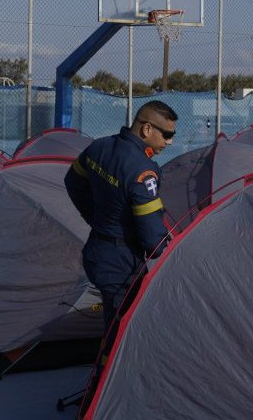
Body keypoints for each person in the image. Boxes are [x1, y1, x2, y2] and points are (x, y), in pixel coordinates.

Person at [65, 100, 178, 335]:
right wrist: (163, 248)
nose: (170, 142)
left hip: (97, 250)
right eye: (167, 134)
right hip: (123, 263)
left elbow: (73, 183)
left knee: (113, 320)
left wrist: (97, 219)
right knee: (121, 332)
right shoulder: (143, 171)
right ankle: (106, 371)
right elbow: (152, 238)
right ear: (147, 129)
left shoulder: (99, 147)